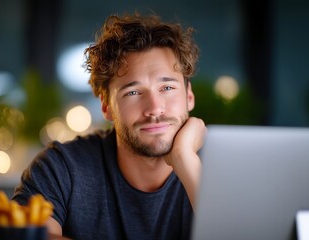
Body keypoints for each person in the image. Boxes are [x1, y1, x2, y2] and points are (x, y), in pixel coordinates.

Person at [12, 12, 207, 240]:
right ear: (106, 107)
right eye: (133, 92)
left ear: (189, 96)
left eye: (167, 88)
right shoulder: (62, 168)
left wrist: (185, 159)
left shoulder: (225, 168)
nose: (154, 108)